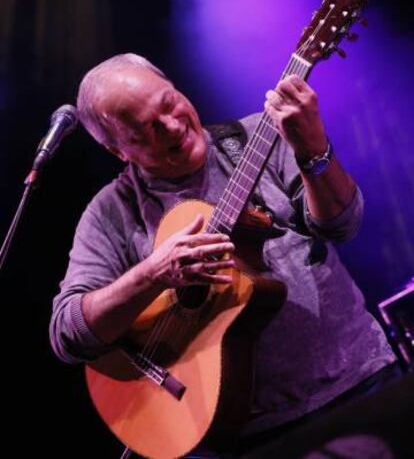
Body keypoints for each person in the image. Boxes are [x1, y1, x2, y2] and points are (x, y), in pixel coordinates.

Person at [49, 53, 397, 454]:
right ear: (118, 151)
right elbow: (69, 335)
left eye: (169, 103)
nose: (173, 127)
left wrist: (314, 150)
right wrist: (153, 273)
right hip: (251, 433)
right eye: (145, 130)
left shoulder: (258, 139)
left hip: (359, 379)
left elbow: (342, 225)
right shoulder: (112, 213)